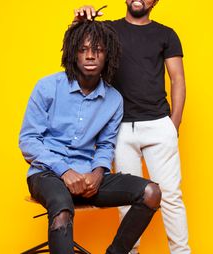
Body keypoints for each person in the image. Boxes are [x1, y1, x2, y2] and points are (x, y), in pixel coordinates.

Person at [74, 0, 191, 254]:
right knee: (129, 198)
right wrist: (78, 21)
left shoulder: (166, 34)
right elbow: (80, 50)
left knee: (171, 196)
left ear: (154, 0)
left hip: (158, 125)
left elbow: (177, 78)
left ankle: (181, 252)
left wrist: (173, 124)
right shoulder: (108, 30)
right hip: (120, 128)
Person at [19, 20, 161, 254]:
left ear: (108, 55)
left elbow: (105, 145)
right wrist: (65, 171)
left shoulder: (114, 99)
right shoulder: (47, 87)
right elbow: (28, 141)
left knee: (151, 193)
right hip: (46, 174)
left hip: (88, 176)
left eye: (98, 50)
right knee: (62, 208)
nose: (90, 56)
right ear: (73, 53)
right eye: (83, 50)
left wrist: (97, 173)